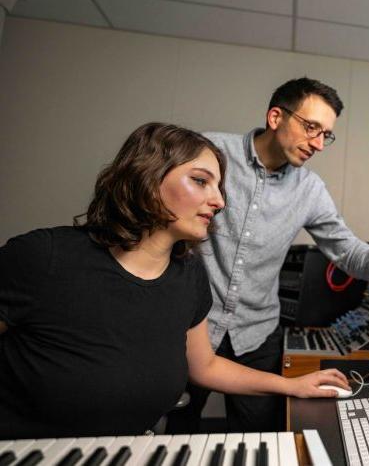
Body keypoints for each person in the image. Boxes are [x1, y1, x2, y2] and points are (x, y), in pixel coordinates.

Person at [0, 122, 349, 439]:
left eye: (219, 186)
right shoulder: (43, 256)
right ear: (147, 177)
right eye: (200, 181)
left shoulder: (189, 274)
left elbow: (205, 367)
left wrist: (293, 386)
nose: (219, 201)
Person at [170, 78, 369, 432]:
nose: (319, 144)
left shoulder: (309, 189)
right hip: (188, 328)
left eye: (327, 134)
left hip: (256, 336)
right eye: (312, 128)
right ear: (276, 116)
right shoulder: (211, 153)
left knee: (264, 437)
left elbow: (346, 249)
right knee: (175, 432)